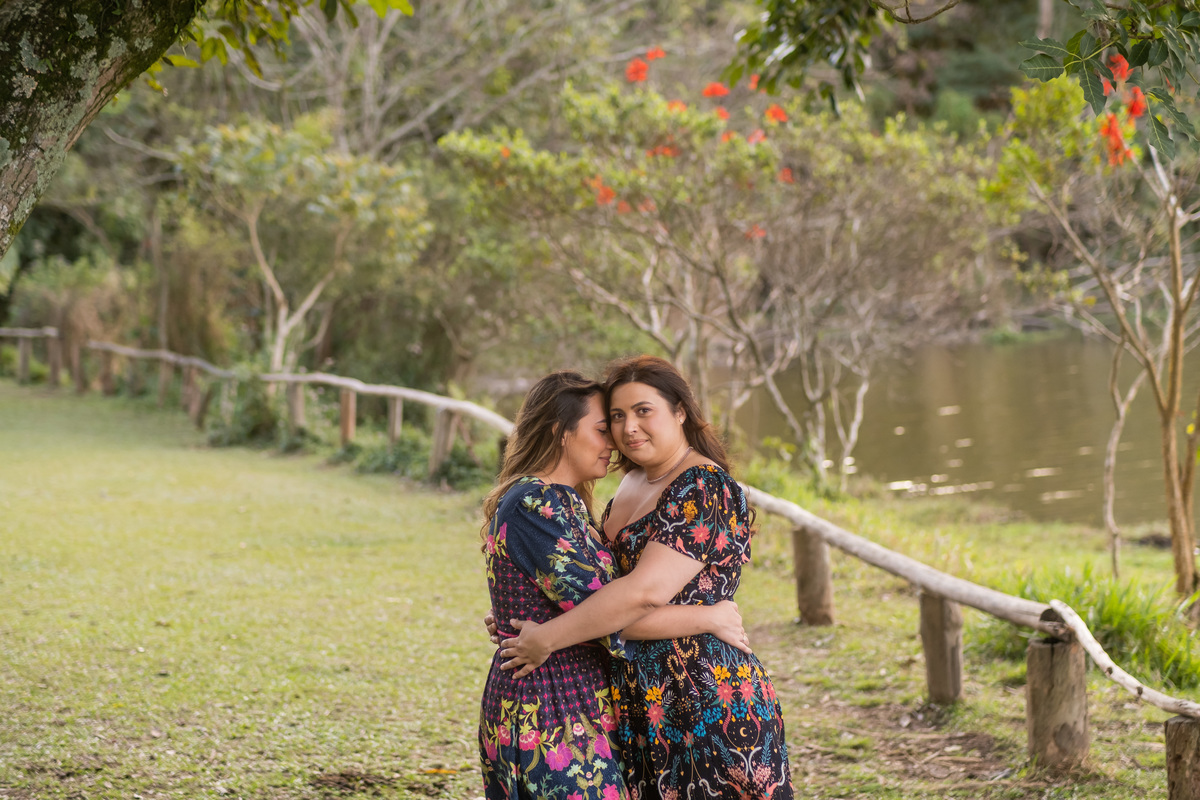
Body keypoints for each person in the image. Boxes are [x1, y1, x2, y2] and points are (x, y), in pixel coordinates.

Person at [498, 356, 794, 800]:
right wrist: (529, 611)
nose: (629, 427)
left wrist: (551, 634)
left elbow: (642, 594)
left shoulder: (702, 486)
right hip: (633, 698)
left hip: (700, 695)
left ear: (679, 411)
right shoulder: (631, 482)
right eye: (617, 416)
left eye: (643, 410)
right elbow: (590, 586)